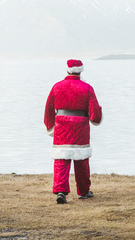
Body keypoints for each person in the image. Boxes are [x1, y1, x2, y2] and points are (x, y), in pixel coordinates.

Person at [44, 59, 103, 204]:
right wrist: (97, 117)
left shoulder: (56, 87)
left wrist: (50, 126)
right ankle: (83, 191)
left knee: (61, 161)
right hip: (80, 128)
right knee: (82, 161)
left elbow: (48, 110)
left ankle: (61, 192)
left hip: (62, 128)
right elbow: (95, 115)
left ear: (67, 70)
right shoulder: (87, 88)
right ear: (81, 71)